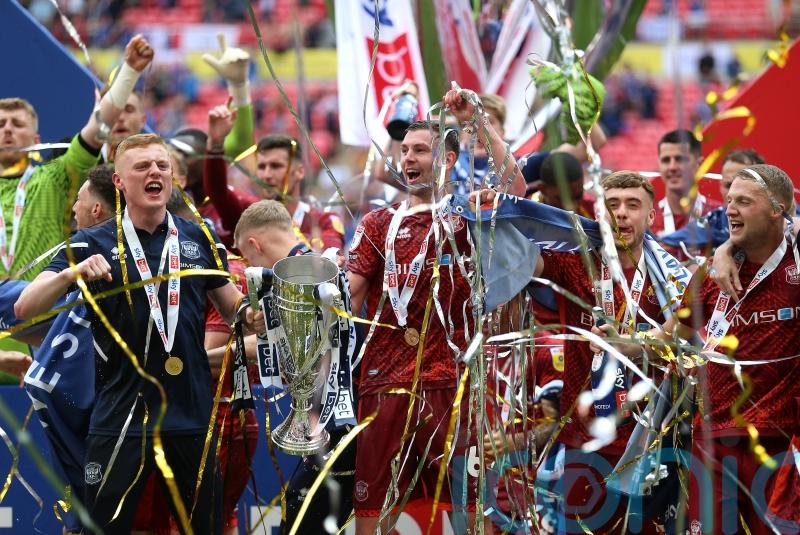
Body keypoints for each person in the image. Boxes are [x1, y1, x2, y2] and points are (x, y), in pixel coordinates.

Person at [15, 133, 260, 534]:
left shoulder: (198, 236)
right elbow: (26, 306)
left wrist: (257, 315)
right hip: (120, 415)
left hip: (192, 412)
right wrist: (71, 274)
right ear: (119, 182)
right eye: (142, 167)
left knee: (207, 527)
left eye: (162, 166)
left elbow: (233, 307)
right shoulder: (90, 242)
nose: (155, 173)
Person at [509, 170, 687, 534]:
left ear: (651, 215)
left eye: (632, 205)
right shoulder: (578, 262)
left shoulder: (672, 278)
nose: (621, 213)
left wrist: (638, 347)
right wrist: (495, 206)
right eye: (612, 205)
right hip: (586, 439)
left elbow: (688, 344)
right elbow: (517, 251)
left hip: (650, 441)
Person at [641, 164, 800, 534]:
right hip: (712, 442)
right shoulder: (712, 273)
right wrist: (616, 342)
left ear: (777, 209)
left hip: (779, 444)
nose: (729, 209)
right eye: (729, 200)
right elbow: (669, 337)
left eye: (744, 201)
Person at [346, 114, 480, 534]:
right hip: (383, 381)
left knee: (466, 505)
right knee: (372, 510)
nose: (408, 158)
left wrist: (478, 121)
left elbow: (518, 192)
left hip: (448, 381)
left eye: (420, 150)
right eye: (404, 151)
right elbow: (349, 293)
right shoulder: (376, 224)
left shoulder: (468, 218)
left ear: (447, 159)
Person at [233, 199, 358, 535]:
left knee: (302, 519)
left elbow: (311, 354)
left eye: (247, 258)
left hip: (341, 419)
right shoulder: (323, 268)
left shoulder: (307, 276)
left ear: (254, 245)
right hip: (343, 418)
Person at [0, 34, 153, 281]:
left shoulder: (55, 177)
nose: (7, 129)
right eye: (1, 124)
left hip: (40, 309)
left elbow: (96, 130)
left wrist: (129, 72)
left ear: (37, 140)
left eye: (17, 124)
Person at [203, 104, 345, 252]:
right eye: (262, 167)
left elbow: (332, 265)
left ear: (299, 172)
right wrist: (215, 144)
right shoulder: (248, 213)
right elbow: (217, 191)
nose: (266, 175)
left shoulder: (323, 222)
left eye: (276, 166)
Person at [660, 148, 766, 252]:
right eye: (728, 185)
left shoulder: (778, 227)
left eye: (741, 186)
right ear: (720, 186)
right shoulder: (714, 221)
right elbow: (661, 247)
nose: (732, 193)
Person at [652, 129, 721, 237]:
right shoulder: (648, 219)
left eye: (680, 159)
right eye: (666, 160)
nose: (672, 167)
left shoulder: (717, 216)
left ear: (699, 164)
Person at [529, 151, 594, 217]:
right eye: (564, 199)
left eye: (578, 196)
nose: (572, 207)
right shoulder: (528, 216)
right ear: (543, 189)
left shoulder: (591, 207)